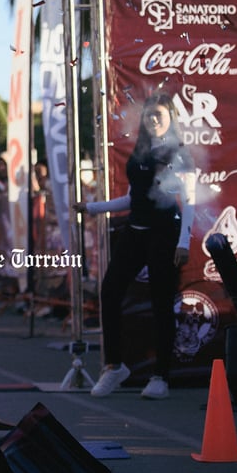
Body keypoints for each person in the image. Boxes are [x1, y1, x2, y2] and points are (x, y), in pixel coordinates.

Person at [75, 92, 196, 400]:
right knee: (110, 291)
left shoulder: (180, 153)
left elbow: (190, 201)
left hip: (164, 234)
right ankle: (115, 366)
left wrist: (183, 242)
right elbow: (131, 199)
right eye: (149, 115)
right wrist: (92, 208)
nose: (154, 120)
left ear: (170, 119)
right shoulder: (140, 152)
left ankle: (161, 377)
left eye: (160, 115)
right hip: (135, 231)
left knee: (160, 304)